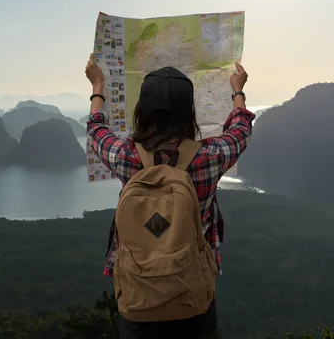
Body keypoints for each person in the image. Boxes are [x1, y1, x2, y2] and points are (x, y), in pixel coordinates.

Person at [85, 54, 255, 339]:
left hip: (139, 300)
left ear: (142, 111)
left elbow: (96, 131)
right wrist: (237, 90)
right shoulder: (208, 157)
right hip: (193, 297)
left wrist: (98, 87)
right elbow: (240, 131)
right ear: (190, 112)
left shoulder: (126, 157)